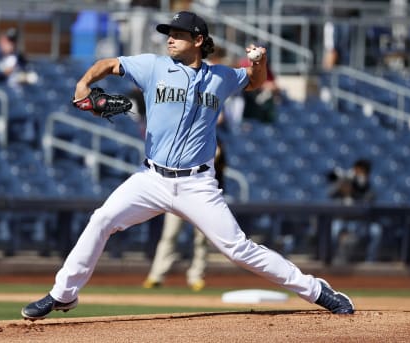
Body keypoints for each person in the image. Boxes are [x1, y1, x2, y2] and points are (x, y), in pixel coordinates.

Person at [21, 11, 354, 320]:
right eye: (169, 33)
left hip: (197, 184)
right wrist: (83, 84)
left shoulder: (221, 77)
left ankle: (315, 290)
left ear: (198, 41)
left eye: (178, 34)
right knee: (102, 219)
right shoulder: (153, 66)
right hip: (151, 179)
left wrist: (261, 61)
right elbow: (109, 64)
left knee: (238, 250)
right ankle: (63, 294)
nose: (170, 39)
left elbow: (254, 81)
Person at [142, 136, 226, 291]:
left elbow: (219, 170)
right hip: (178, 194)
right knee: (169, 235)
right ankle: (156, 276)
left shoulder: (214, 140)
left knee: (201, 239)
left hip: (202, 196)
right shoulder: (181, 138)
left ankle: (196, 276)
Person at [327, 159, 382, 264]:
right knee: (333, 229)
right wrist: (342, 185)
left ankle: (370, 262)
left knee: (376, 231)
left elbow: (367, 203)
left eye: (361, 172)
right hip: (342, 220)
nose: (357, 174)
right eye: (356, 171)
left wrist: (355, 192)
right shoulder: (346, 181)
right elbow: (330, 194)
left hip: (361, 222)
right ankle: (331, 260)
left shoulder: (368, 187)